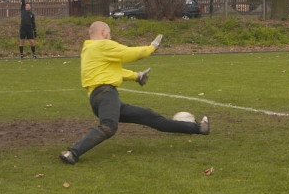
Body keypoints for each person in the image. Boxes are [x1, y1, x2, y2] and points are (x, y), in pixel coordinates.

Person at [59, 21, 209, 164]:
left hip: (100, 99)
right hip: (106, 95)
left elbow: (113, 71)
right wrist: (152, 47)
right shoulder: (102, 45)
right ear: (103, 32)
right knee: (108, 127)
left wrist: (136, 76)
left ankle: (199, 128)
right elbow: (129, 53)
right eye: (109, 34)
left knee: (150, 117)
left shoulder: (89, 50)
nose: (110, 38)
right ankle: (73, 153)